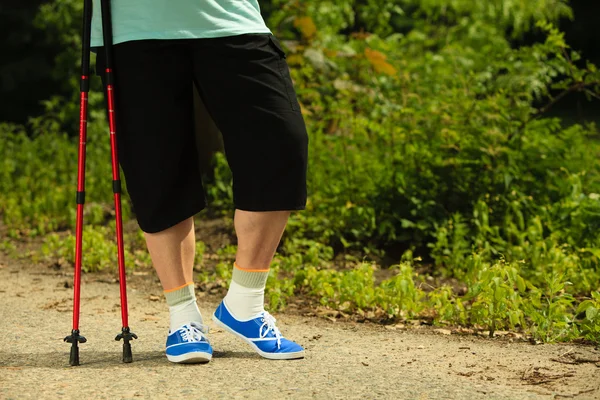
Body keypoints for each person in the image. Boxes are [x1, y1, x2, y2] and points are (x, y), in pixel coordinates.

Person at [91, 0, 308, 363]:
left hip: (230, 17)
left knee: (282, 143)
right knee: (156, 166)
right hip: (133, 27)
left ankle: (245, 303)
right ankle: (183, 317)